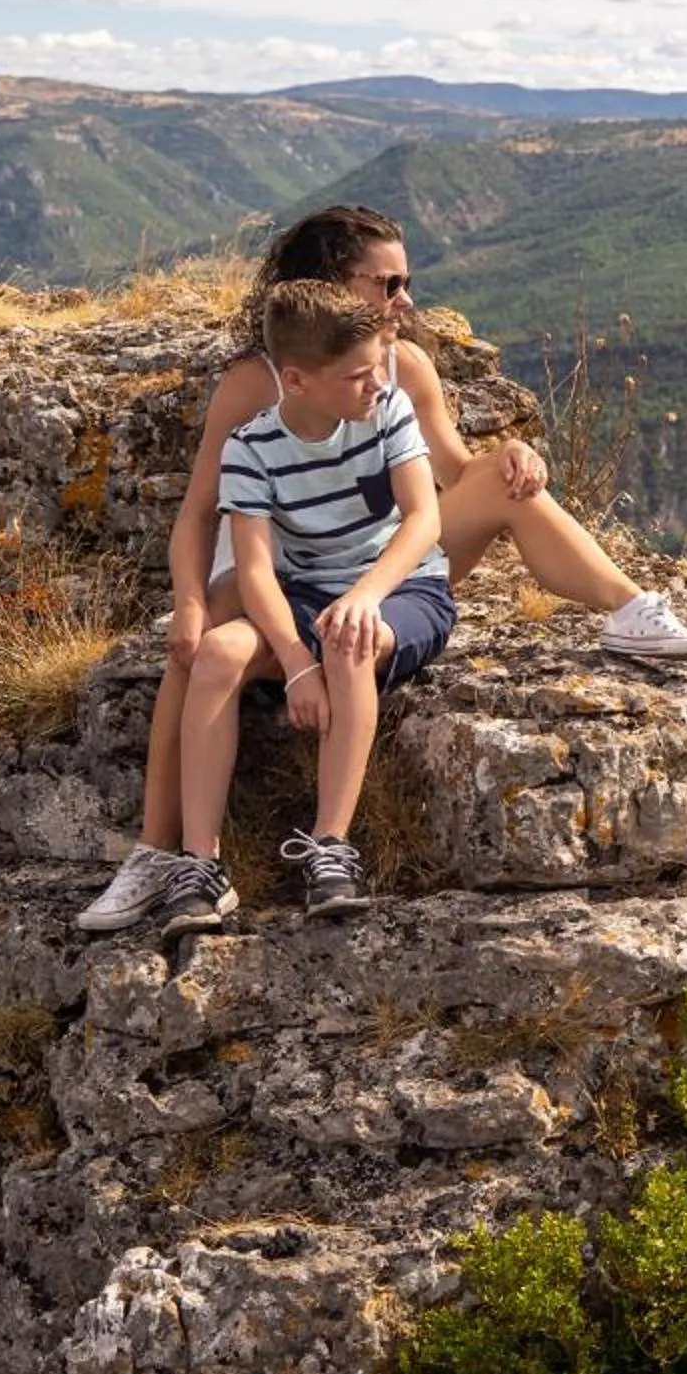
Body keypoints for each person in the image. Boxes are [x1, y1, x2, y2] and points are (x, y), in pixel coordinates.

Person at [79, 204, 687, 933]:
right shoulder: (255, 387)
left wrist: (506, 456)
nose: (405, 299)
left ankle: (630, 609)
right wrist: (190, 603)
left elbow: (446, 473)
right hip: (286, 577)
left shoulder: (400, 366)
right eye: (387, 283)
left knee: (510, 488)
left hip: (384, 570)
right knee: (193, 649)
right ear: (328, 285)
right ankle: (163, 853)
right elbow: (200, 514)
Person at [152, 282, 451, 934]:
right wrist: (293, 665)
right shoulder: (251, 448)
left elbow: (425, 518)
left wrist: (364, 596)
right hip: (306, 597)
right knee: (217, 652)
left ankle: (332, 849)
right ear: (297, 379)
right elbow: (254, 569)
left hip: (402, 590)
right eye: (357, 374)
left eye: (377, 366)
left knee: (349, 638)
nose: (376, 381)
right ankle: (201, 866)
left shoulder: (388, 408)